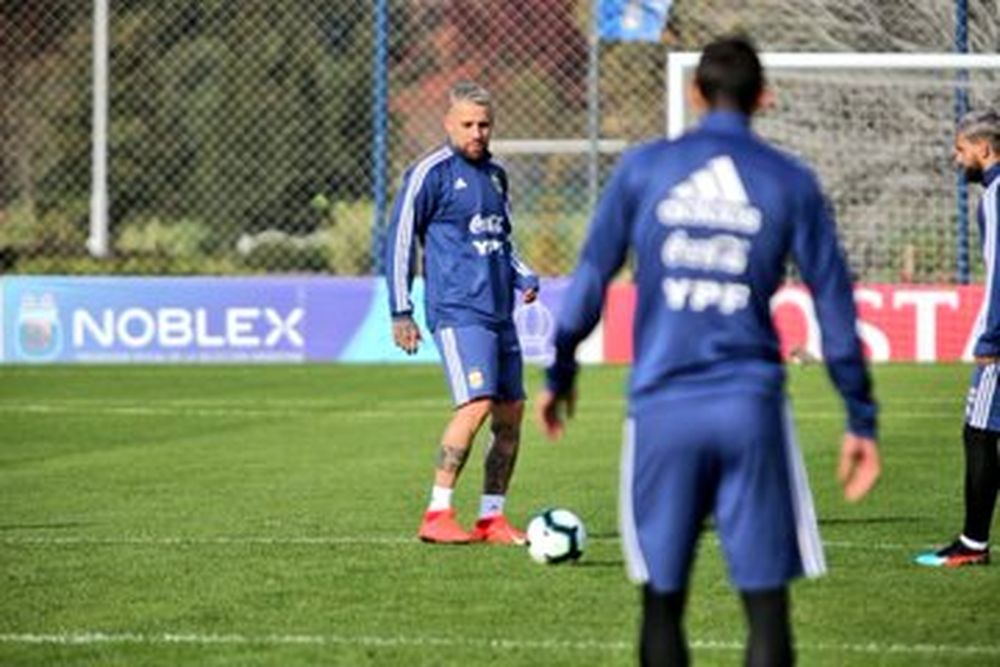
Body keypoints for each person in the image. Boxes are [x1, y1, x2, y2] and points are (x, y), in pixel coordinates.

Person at [536, 36, 881, 666]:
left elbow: (589, 281)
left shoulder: (643, 169)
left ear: (695, 93)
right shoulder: (788, 180)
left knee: (663, 602)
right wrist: (860, 415)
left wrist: (560, 371)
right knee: (766, 604)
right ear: (764, 98)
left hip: (662, 410)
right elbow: (835, 305)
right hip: (751, 410)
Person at [384, 81, 539, 545]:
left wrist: (523, 275)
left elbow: (499, 239)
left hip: (499, 312)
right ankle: (437, 513)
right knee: (475, 405)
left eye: (484, 125)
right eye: (468, 124)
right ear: (449, 123)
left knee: (510, 413)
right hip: (458, 309)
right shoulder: (428, 173)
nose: (477, 132)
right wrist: (400, 311)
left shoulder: (496, 175)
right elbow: (399, 239)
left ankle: (491, 518)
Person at [915, 109, 1000, 568]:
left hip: (999, 342)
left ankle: (972, 544)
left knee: (980, 433)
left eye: (961, 148)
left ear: (984, 149)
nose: (956, 155)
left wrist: (991, 339)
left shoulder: (996, 197)